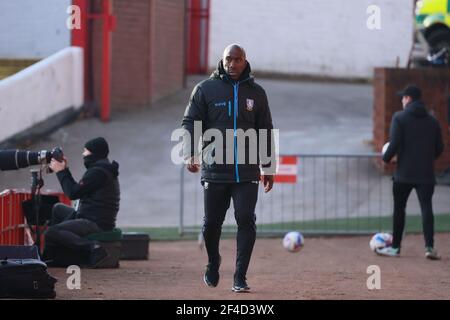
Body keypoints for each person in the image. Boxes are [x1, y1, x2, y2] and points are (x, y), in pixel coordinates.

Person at [182, 44, 275, 292]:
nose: (232, 64)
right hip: (215, 170)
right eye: (228, 59)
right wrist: (190, 151)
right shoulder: (205, 89)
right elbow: (190, 122)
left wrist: (268, 165)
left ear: (245, 61)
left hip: (246, 172)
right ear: (221, 61)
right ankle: (213, 262)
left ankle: (240, 276)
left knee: (245, 218)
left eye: (237, 59)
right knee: (211, 224)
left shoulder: (257, 93)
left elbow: (265, 129)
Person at [377, 85, 444, 259]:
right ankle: (429, 247)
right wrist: (426, 159)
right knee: (426, 209)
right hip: (425, 174)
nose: (401, 100)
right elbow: (439, 148)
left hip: (403, 174)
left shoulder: (399, 118)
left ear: (408, 99)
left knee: (399, 209)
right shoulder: (432, 121)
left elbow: (394, 144)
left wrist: (386, 158)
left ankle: (396, 248)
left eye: (403, 98)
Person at [42, 137, 120, 267]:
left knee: (52, 232)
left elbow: (72, 193)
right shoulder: (102, 169)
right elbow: (77, 190)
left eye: (85, 151)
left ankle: (93, 248)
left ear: (93, 153)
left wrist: (60, 171)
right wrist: (65, 170)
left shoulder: (98, 173)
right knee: (58, 208)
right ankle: (53, 256)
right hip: (94, 217)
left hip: (95, 222)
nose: (83, 154)